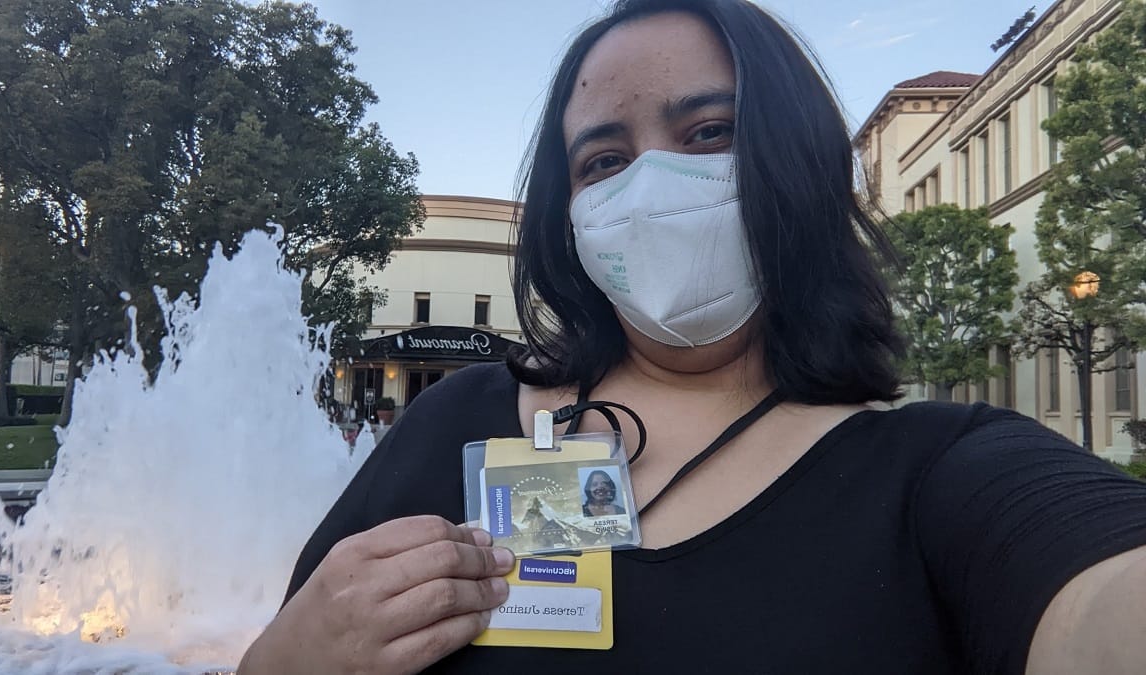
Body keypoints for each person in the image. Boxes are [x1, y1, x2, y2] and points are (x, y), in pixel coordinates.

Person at [238, 1, 1146, 673]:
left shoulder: (940, 474)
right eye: (604, 160)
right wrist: (291, 657)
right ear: (572, 215)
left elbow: (1102, 598)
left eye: (709, 132)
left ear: (796, 163)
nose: (655, 185)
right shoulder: (462, 422)